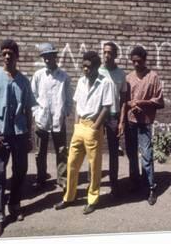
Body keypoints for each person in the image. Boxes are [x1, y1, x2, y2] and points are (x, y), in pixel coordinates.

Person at [0, 39, 36, 238]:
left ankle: (14, 205)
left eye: (11, 52)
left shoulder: (24, 81)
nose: (7, 56)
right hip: (0, 135)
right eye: (4, 53)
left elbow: (28, 110)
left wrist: (29, 136)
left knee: (20, 171)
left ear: (17, 56)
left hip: (19, 134)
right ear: (1, 55)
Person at [54, 51, 114, 215]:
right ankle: (69, 197)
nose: (85, 69)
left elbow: (106, 107)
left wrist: (95, 127)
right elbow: (77, 104)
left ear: (96, 67)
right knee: (72, 164)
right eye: (83, 66)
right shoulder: (81, 81)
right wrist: (75, 124)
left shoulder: (105, 83)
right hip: (79, 127)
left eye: (88, 67)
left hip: (93, 128)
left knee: (94, 167)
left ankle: (92, 199)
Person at [119, 46, 164, 206]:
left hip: (145, 122)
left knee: (146, 155)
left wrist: (142, 104)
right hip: (131, 121)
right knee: (131, 155)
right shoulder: (129, 78)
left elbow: (159, 101)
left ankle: (151, 187)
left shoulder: (153, 77)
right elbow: (124, 100)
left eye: (139, 61)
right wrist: (131, 105)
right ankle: (135, 182)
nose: (136, 64)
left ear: (145, 60)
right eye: (134, 61)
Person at [31, 43, 72, 191]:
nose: (47, 59)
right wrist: (36, 113)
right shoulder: (38, 75)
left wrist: (65, 112)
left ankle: (62, 179)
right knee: (40, 152)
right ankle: (41, 178)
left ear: (55, 56)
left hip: (58, 120)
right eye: (44, 57)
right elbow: (33, 96)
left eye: (49, 56)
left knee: (61, 151)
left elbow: (68, 98)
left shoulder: (64, 77)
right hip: (42, 119)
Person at [99, 41, 127, 197]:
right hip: (98, 117)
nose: (107, 55)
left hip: (114, 117)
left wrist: (122, 121)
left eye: (110, 52)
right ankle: (93, 183)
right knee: (94, 151)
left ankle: (114, 184)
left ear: (115, 55)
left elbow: (123, 101)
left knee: (113, 152)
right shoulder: (97, 71)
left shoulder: (121, 75)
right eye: (105, 52)